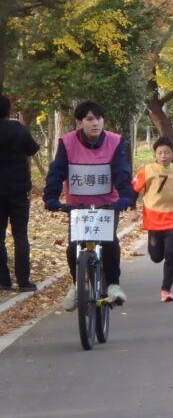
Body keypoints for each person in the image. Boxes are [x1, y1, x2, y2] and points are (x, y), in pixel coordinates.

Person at [43, 101, 133, 311]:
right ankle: (77, 286)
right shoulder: (67, 142)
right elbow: (57, 171)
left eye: (99, 118)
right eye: (90, 119)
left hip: (108, 205)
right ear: (79, 122)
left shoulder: (115, 141)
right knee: (74, 245)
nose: (96, 123)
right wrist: (51, 197)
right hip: (79, 207)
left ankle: (113, 285)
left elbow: (122, 171)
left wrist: (126, 197)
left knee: (109, 242)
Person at [130, 137, 173, 302]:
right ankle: (157, 247)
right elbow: (133, 190)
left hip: (172, 217)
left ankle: (166, 290)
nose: (163, 156)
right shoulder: (147, 170)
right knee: (156, 257)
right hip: (153, 217)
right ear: (155, 155)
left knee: (170, 253)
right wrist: (133, 209)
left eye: (167, 152)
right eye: (160, 153)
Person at [0, 95, 40, 292]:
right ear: (9, 111)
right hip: (18, 190)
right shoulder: (18, 129)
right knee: (20, 236)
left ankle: (3, 280)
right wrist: (22, 126)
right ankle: (23, 281)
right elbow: (33, 149)